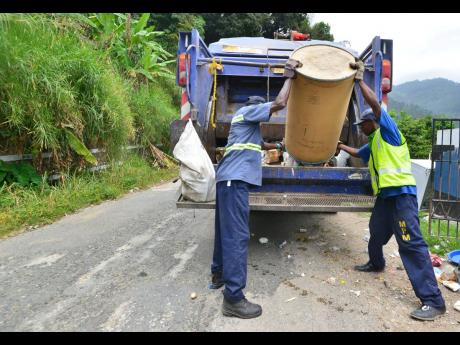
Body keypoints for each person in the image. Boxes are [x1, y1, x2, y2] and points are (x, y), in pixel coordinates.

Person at [337, 60, 446, 321]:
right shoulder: (374, 142)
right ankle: (376, 263)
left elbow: (375, 106)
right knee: (375, 233)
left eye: (361, 126)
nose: (360, 131)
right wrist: (339, 145)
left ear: (371, 123)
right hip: (386, 199)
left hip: (402, 197)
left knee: (410, 244)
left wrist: (359, 81)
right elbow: (357, 152)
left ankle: (433, 300)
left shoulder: (389, 132)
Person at [209, 58, 301, 319]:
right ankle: (233, 299)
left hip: (227, 181)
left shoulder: (245, 125)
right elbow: (280, 103)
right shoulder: (248, 112)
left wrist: (279, 148)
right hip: (234, 181)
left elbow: (258, 146)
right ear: (256, 109)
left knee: (223, 232)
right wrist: (290, 76)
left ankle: (218, 275)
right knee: (237, 237)